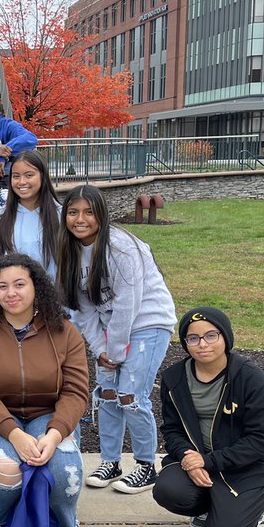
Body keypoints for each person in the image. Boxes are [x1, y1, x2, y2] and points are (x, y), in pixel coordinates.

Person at [0, 254, 92, 527]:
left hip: (47, 416)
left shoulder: (64, 330)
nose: (11, 293)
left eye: (19, 284)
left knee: (63, 468)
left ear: (36, 287)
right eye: (2, 286)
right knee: (4, 468)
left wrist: (55, 434)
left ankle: (68, 524)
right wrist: (14, 435)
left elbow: (76, 390)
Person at [58, 185, 176, 494]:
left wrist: (115, 348)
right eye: (73, 212)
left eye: (88, 212)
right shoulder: (69, 251)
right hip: (113, 334)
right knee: (107, 393)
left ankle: (146, 466)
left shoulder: (121, 247)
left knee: (131, 396)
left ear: (101, 215)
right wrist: (100, 350)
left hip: (147, 323)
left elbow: (128, 302)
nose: (79, 219)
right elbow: (82, 309)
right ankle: (111, 462)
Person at [154, 308, 264, 527]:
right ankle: (209, 507)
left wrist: (209, 461)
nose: (202, 344)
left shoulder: (249, 378)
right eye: (193, 338)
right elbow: (172, 429)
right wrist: (189, 459)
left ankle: (253, 509)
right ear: (186, 343)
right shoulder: (174, 378)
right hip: (199, 462)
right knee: (168, 490)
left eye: (211, 336)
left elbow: (260, 440)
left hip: (244, 469)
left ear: (225, 337)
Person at [0, 150, 61, 279]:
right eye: (16, 176)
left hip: (56, 295)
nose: (21, 182)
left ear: (43, 176)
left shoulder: (62, 217)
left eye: (29, 175)